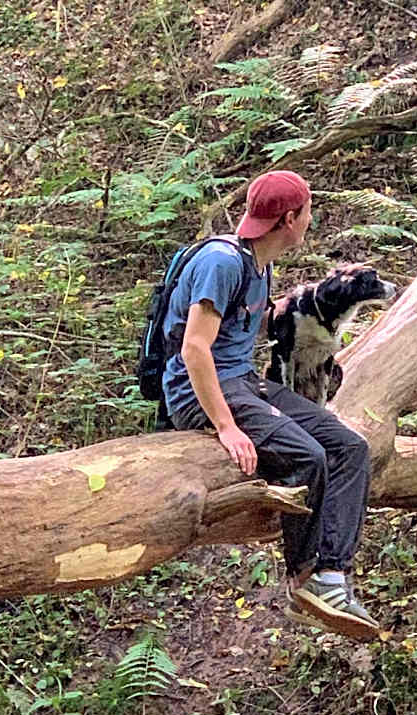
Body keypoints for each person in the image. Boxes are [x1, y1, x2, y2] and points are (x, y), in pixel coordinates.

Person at [162, 170, 378, 641]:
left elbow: (249, 328)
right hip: (201, 391)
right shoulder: (222, 263)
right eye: (308, 211)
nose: (310, 219)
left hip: (244, 382)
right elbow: (195, 350)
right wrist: (226, 427)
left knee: (349, 448)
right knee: (308, 457)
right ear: (289, 217)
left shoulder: (258, 262)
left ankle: (332, 577)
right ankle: (303, 581)